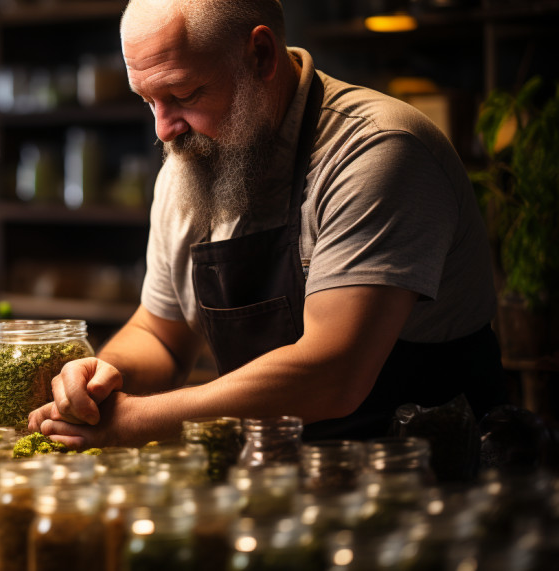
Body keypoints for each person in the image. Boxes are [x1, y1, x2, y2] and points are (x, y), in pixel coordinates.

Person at [28, 0, 508, 449]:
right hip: (278, 479)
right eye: (148, 101)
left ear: (260, 55)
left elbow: (332, 375)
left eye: (183, 94)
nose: (163, 130)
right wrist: (102, 378)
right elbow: (160, 336)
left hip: (422, 480)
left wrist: (140, 420)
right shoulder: (191, 163)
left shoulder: (377, 151)